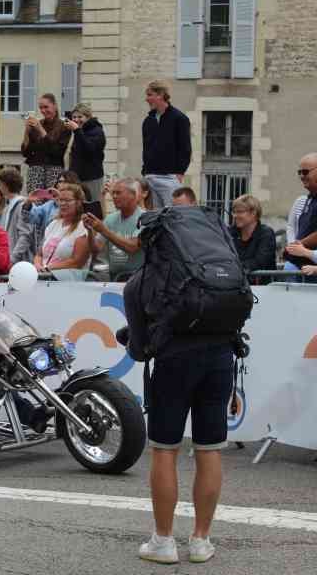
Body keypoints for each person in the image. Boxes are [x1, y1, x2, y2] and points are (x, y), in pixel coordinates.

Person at [123, 260, 236, 565]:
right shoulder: (216, 265)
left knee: (165, 449)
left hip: (175, 361)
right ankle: (201, 540)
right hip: (222, 355)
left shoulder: (142, 279)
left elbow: (137, 350)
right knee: (209, 449)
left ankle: (163, 541)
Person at [142, 80, 192, 208]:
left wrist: (179, 174)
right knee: (154, 219)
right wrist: (145, 172)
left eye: (149, 95)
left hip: (169, 178)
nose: (146, 99)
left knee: (172, 217)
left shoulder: (179, 119)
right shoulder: (148, 121)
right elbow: (146, 148)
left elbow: (185, 148)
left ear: (160, 95)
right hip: (150, 177)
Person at [84, 178, 144, 282]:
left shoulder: (144, 218)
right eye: (113, 193)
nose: (114, 196)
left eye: (118, 193)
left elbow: (132, 247)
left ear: (133, 195)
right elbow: (96, 249)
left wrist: (103, 230)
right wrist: (90, 231)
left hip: (137, 278)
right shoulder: (111, 218)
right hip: (114, 278)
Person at [34, 184, 91, 281]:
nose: (63, 204)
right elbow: (39, 254)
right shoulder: (53, 224)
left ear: (78, 203)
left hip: (68, 283)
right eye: (61, 200)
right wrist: (38, 266)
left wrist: (48, 268)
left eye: (68, 200)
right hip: (44, 278)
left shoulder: (83, 226)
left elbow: (77, 262)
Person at [21, 93, 71, 194]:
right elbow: (25, 153)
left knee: (53, 202)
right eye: (40, 108)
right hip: (35, 170)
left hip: (54, 170)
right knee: (35, 204)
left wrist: (41, 130)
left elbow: (57, 152)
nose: (43, 111)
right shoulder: (37, 124)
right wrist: (27, 132)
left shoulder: (64, 126)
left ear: (55, 106)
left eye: (46, 107)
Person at [229, 195, 276, 285]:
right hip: (234, 286)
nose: (235, 216)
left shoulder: (266, 233)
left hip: (263, 288)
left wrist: (233, 268)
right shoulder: (229, 233)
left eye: (240, 212)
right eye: (234, 212)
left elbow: (259, 262)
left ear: (253, 213)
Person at [283, 153, 317, 271]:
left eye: (306, 172)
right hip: (301, 265)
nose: (302, 176)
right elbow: (291, 226)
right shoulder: (308, 199)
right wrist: (295, 248)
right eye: (300, 172)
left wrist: (298, 246)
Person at [66, 103, 107, 200]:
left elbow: (89, 149)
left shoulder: (97, 131)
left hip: (92, 178)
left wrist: (77, 131)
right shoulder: (78, 131)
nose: (76, 120)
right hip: (77, 178)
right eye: (74, 117)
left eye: (80, 117)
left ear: (88, 117)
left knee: (92, 206)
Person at [0, 167, 33, 264]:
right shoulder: (7, 207)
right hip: (7, 260)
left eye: (0, 183)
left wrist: (12, 259)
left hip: (19, 264)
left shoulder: (23, 206)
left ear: (5, 185)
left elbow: (25, 235)